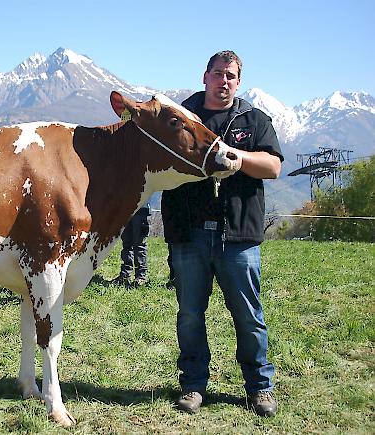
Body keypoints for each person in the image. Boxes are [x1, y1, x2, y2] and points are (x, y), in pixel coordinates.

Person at [161, 51, 283, 417]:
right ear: (205, 77)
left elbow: (274, 167)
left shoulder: (253, 120)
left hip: (238, 236)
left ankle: (259, 388)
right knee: (189, 315)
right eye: (218, 74)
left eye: (230, 75)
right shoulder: (180, 117)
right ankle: (194, 386)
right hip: (189, 232)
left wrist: (238, 157)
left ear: (238, 82)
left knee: (248, 316)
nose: (224, 81)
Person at [111, 203, 150, 286]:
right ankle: (125, 275)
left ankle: (141, 277)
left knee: (139, 244)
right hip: (126, 208)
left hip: (141, 208)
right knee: (127, 243)